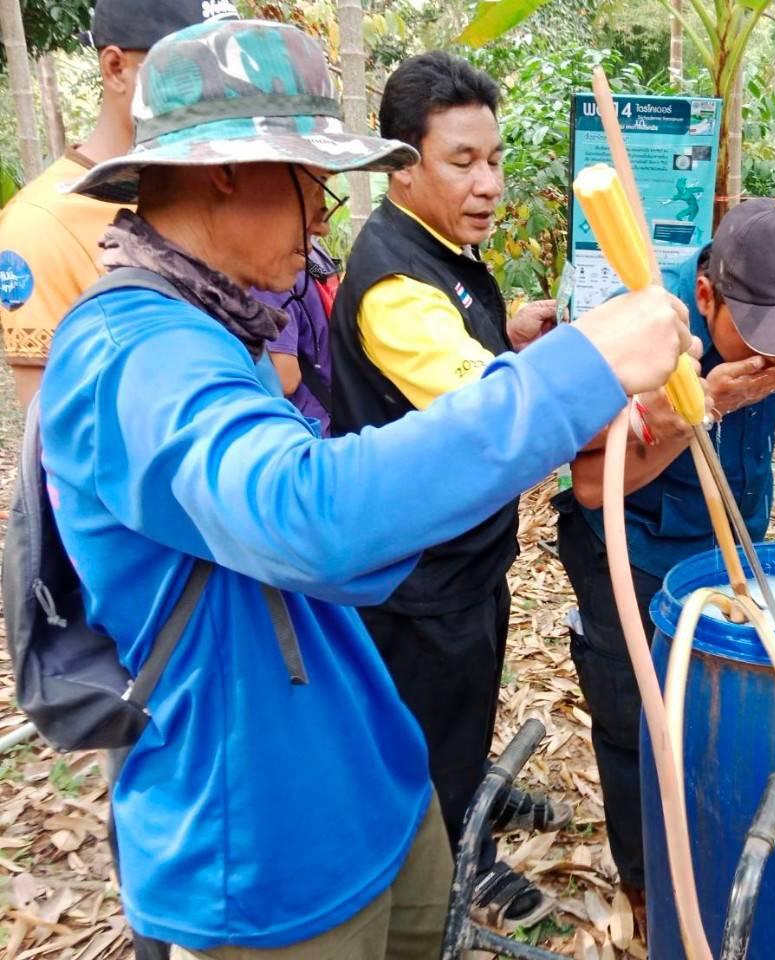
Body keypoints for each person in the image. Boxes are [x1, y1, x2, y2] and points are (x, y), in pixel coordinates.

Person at [43, 19, 694, 958]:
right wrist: (576, 371)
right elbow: (308, 514)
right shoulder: (134, 356)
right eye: (313, 184)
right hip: (262, 853)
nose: (321, 218)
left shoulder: (219, 330)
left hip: (364, 785)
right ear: (229, 172)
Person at [555, 199, 775, 904]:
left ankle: (716, 850)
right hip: (636, 551)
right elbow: (595, 484)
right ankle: (648, 883)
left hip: (733, 544)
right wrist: (698, 409)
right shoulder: (643, 330)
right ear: (709, 295)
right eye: (757, 333)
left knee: (718, 706)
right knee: (637, 718)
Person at [329, 51, 564, 929]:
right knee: (429, 726)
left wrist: (510, 334)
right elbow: (487, 415)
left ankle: (469, 806)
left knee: (465, 709)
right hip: (417, 574)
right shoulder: (394, 283)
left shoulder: (441, 255)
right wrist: (594, 370)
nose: (489, 182)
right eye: (462, 162)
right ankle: (462, 868)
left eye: (495, 159)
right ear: (403, 164)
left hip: (462, 556)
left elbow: (469, 356)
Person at [0, 0, 237, 410]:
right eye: (193, 68)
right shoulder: (38, 227)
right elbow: (58, 430)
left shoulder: (220, 190)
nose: (218, 90)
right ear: (115, 68)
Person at [259, 242, 340, 435]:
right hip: (335, 406)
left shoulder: (266, 275)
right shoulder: (314, 248)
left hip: (309, 425)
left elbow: (286, 380)